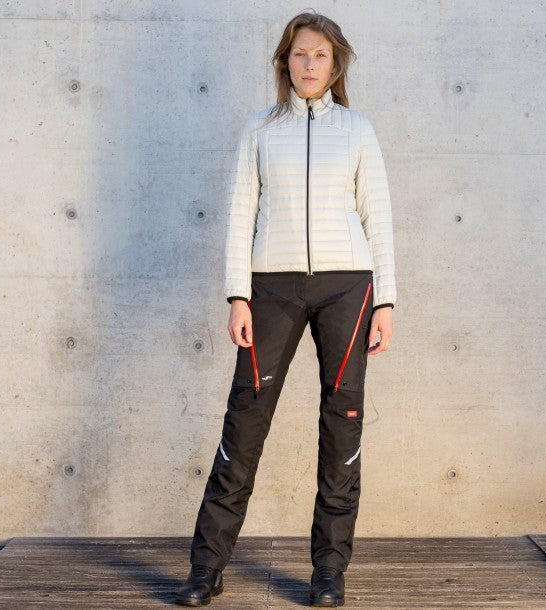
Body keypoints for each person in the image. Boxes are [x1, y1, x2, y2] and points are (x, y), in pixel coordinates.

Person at [176, 10, 396, 608]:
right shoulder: (260, 129)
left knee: (342, 424)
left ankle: (329, 572)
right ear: (285, 61)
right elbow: (239, 215)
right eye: (300, 53)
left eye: (320, 55)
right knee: (244, 422)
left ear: (336, 63)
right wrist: (237, 295)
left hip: (348, 289)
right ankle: (206, 569)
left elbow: (378, 218)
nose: (309, 64)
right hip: (270, 289)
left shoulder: (357, 130)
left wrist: (385, 300)